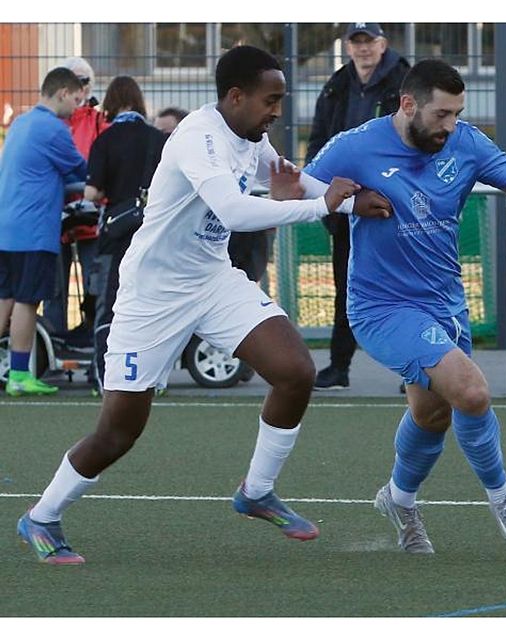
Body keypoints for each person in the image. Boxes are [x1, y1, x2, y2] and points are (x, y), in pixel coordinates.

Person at [16, 45, 389, 564]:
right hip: (152, 296)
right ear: (235, 97)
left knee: (295, 371)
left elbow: (289, 175)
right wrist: (320, 207)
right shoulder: (198, 136)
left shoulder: (251, 136)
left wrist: (350, 201)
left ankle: (256, 491)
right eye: (270, 99)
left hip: (212, 281)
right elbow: (234, 211)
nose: (277, 111)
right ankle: (41, 516)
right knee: (119, 430)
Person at [303, 59, 506, 554]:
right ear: (408, 104)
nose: (450, 125)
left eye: (458, 113)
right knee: (472, 392)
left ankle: (398, 498)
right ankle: (503, 496)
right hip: (382, 307)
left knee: (432, 415)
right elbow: (293, 189)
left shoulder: (465, 142)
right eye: (442, 114)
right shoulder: (356, 144)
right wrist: (346, 202)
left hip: (446, 303)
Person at [306, 22, 411, 391]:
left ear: (383, 44)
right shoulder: (336, 85)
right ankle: (338, 366)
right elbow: (319, 140)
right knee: (346, 287)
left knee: (402, 289)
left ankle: (412, 368)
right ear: (348, 47)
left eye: (370, 41)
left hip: (393, 206)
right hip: (347, 207)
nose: (363, 48)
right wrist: (321, 196)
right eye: (357, 42)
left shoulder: (405, 81)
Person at [0, 67, 87, 396]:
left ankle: (18, 374)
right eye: (76, 99)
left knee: (4, 298)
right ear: (63, 93)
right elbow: (83, 171)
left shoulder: (20, 122)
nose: (78, 107)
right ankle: (19, 376)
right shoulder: (53, 129)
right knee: (25, 302)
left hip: (6, 228)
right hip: (32, 231)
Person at [84, 75, 168, 395]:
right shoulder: (158, 140)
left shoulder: (105, 141)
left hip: (116, 236)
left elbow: (92, 192)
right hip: (153, 233)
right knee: (150, 304)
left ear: (111, 103)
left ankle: (106, 376)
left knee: (111, 304)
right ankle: (150, 377)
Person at [42, 56, 110, 343]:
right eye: (74, 81)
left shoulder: (98, 120)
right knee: (54, 286)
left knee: (96, 282)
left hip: (91, 214)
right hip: (55, 214)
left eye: (85, 81)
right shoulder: (53, 121)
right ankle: (54, 341)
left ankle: (92, 342)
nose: (80, 88)